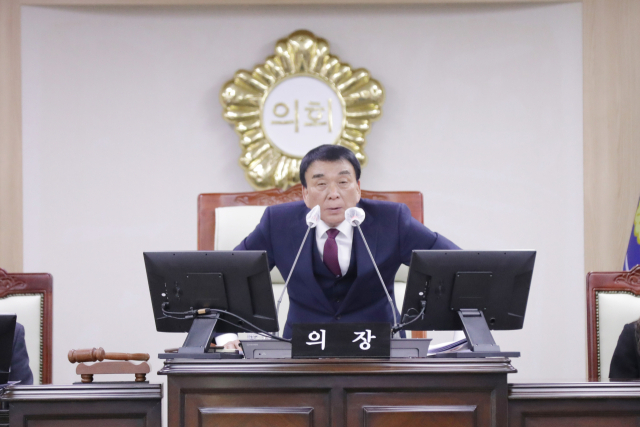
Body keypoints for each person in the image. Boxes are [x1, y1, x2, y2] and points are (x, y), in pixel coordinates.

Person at [219, 144, 459, 349]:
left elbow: (455, 265)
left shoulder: (391, 220)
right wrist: (227, 336)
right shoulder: (278, 223)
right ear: (305, 193)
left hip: (380, 350)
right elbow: (228, 275)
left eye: (343, 182)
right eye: (321, 184)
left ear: (358, 188)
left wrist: (463, 332)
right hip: (301, 352)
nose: (333, 194)